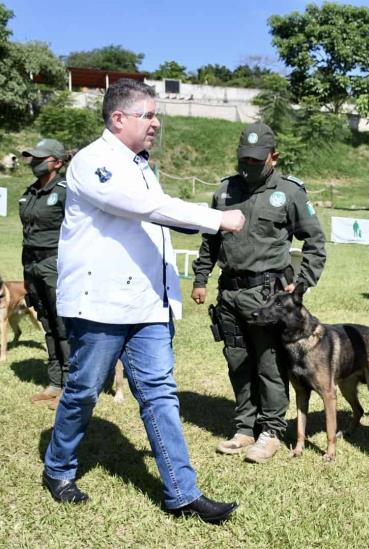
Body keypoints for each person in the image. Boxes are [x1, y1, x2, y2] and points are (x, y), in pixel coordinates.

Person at [42, 79, 246, 524]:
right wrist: (219, 219)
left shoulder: (140, 165)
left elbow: (157, 212)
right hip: (101, 305)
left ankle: (182, 492)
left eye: (156, 115)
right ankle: (58, 469)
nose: (156, 123)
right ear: (119, 118)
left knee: (160, 396)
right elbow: (145, 208)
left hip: (148, 305)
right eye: (148, 115)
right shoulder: (94, 162)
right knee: (83, 391)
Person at [192, 122, 326, 464]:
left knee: (269, 364)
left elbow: (315, 240)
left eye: (255, 160)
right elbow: (211, 238)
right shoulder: (224, 191)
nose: (248, 166)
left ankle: (271, 431)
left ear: (273, 157)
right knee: (238, 361)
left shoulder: (290, 192)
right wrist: (200, 278)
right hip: (230, 294)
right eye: (243, 159)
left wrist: (303, 282)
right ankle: (244, 427)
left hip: (268, 295)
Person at [20, 138, 70, 409]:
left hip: (55, 263)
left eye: (40, 159)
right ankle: (55, 381)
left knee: (63, 326)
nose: (34, 163)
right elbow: (26, 235)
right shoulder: (29, 192)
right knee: (47, 323)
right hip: (32, 265)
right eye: (32, 158)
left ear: (57, 163)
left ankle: (72, 385)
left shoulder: (65, 191)